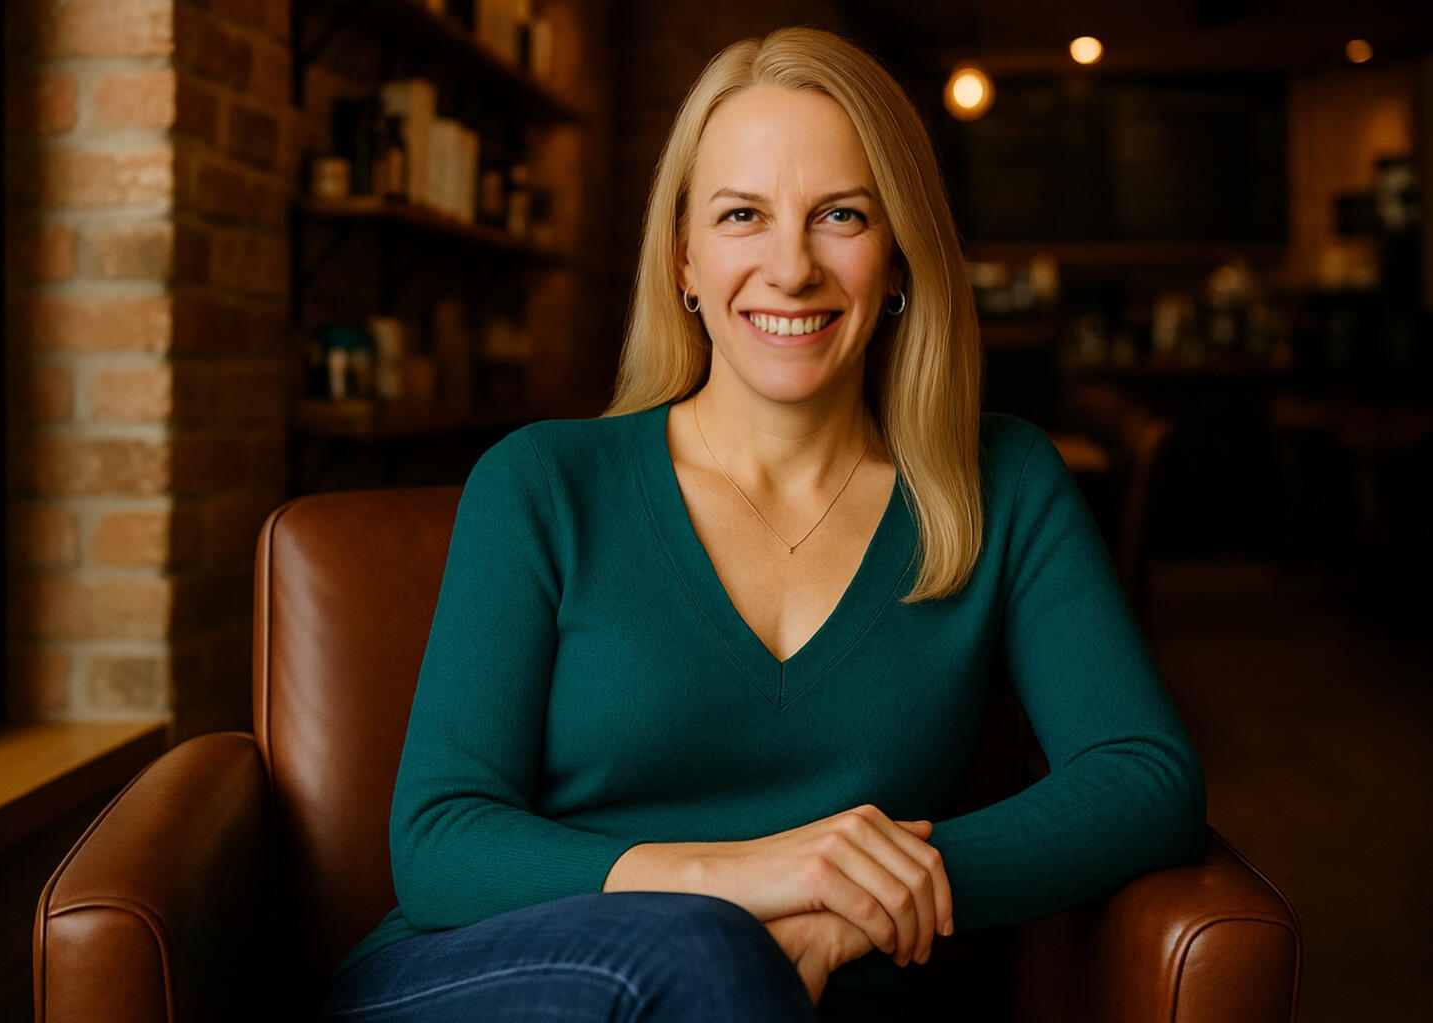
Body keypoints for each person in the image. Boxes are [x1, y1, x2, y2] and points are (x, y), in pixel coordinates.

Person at [320, 25, 1206, 1023]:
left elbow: (1146, 778)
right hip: (494, 983)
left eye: (840, 216)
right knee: (703, 958)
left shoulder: (1000, 481)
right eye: (743, 215)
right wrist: (746, 884)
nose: (791, 268)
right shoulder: (540, 483)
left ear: (902, 256)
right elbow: (438, 841)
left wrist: (852, 907)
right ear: (686, 261)